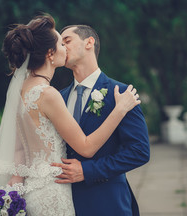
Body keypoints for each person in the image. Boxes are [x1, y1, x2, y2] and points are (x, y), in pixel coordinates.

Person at [0, 14, 141, 216]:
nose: (65, 48)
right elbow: (86, 147)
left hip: (32, 191)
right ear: (50, 53)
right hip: (53, 193)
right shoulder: (50, 94)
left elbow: (19, 148)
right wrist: (119, 110)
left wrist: (14, 186)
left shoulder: (22, 91)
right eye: (61, 43)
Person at [51, 25, 150, 215]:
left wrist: (89, 171)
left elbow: (139, 151)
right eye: (60, 44)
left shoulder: (121, 94)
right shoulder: (57, 99)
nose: (62, 47)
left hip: (107, 202)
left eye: (67, 41)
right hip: (64, 202)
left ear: (89, 42)